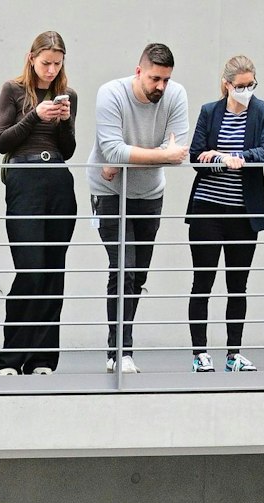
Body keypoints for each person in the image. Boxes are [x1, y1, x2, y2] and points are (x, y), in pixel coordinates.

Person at [90, 44, 190, 373]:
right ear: (139, 71)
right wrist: (157, 155)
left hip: (149, 195)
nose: (160, 86)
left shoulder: (176, 96)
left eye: (166, 79)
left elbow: (176, 153)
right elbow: (112, 150)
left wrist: (124, 157)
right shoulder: (111, 94)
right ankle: (119, 352)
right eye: (154, 78)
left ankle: (121, 348)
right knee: (124, 269)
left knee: (139, 273)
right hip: (108, 191)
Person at [0, 33, 78, 375]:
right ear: (31, 58)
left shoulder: (67, 94)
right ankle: (9, 359)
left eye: (57, 63)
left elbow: (68, 150)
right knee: (30, 270)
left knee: (54, 272)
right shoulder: (13, 90)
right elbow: (2, 141)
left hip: (58, 178)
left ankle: (43, 358)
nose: (51, 69)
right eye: (46, 63)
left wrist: (63, 121)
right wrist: (35, 115)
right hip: (24, 178)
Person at [186, 56, 264, 371]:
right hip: (207, 209)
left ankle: (233, 353)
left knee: (238, 284)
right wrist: (214, 159)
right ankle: (200, 353)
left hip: (243, 212)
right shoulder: (210, 112)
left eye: (251, 85)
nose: (246, 91)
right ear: (226, 84)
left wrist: (234, 156)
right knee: (203, 282)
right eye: (240, 86)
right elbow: (196, 155)